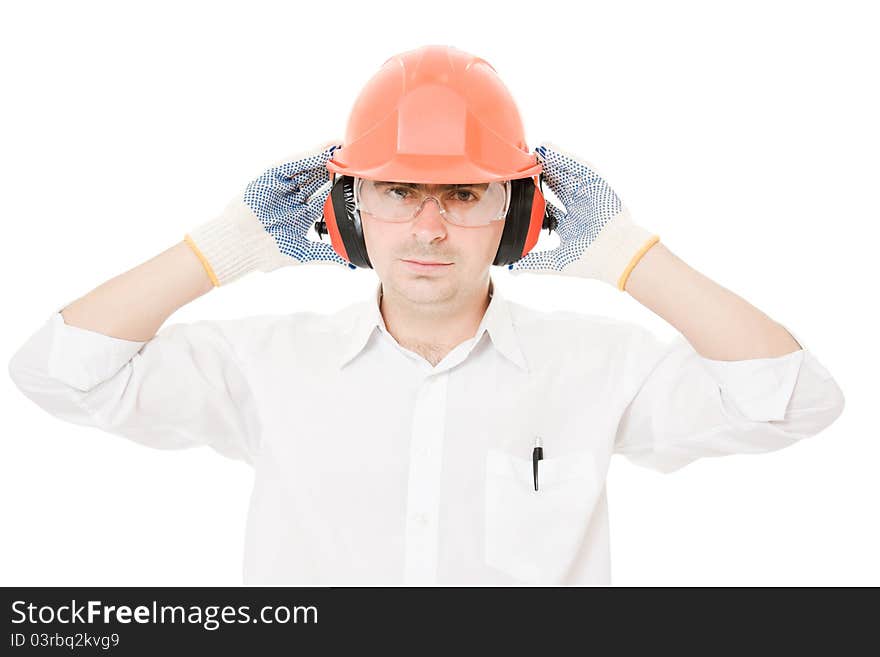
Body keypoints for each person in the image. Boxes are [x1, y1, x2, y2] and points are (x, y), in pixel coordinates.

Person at [8, 45, 844, 586]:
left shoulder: (598, 367)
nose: (430, 227)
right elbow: (57, 369)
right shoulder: (264, 363)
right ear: (347, 208)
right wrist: (224, 248)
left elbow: (794, 397)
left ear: (518, 218)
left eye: (465, 194)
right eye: (399, 191)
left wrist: (628, 255)